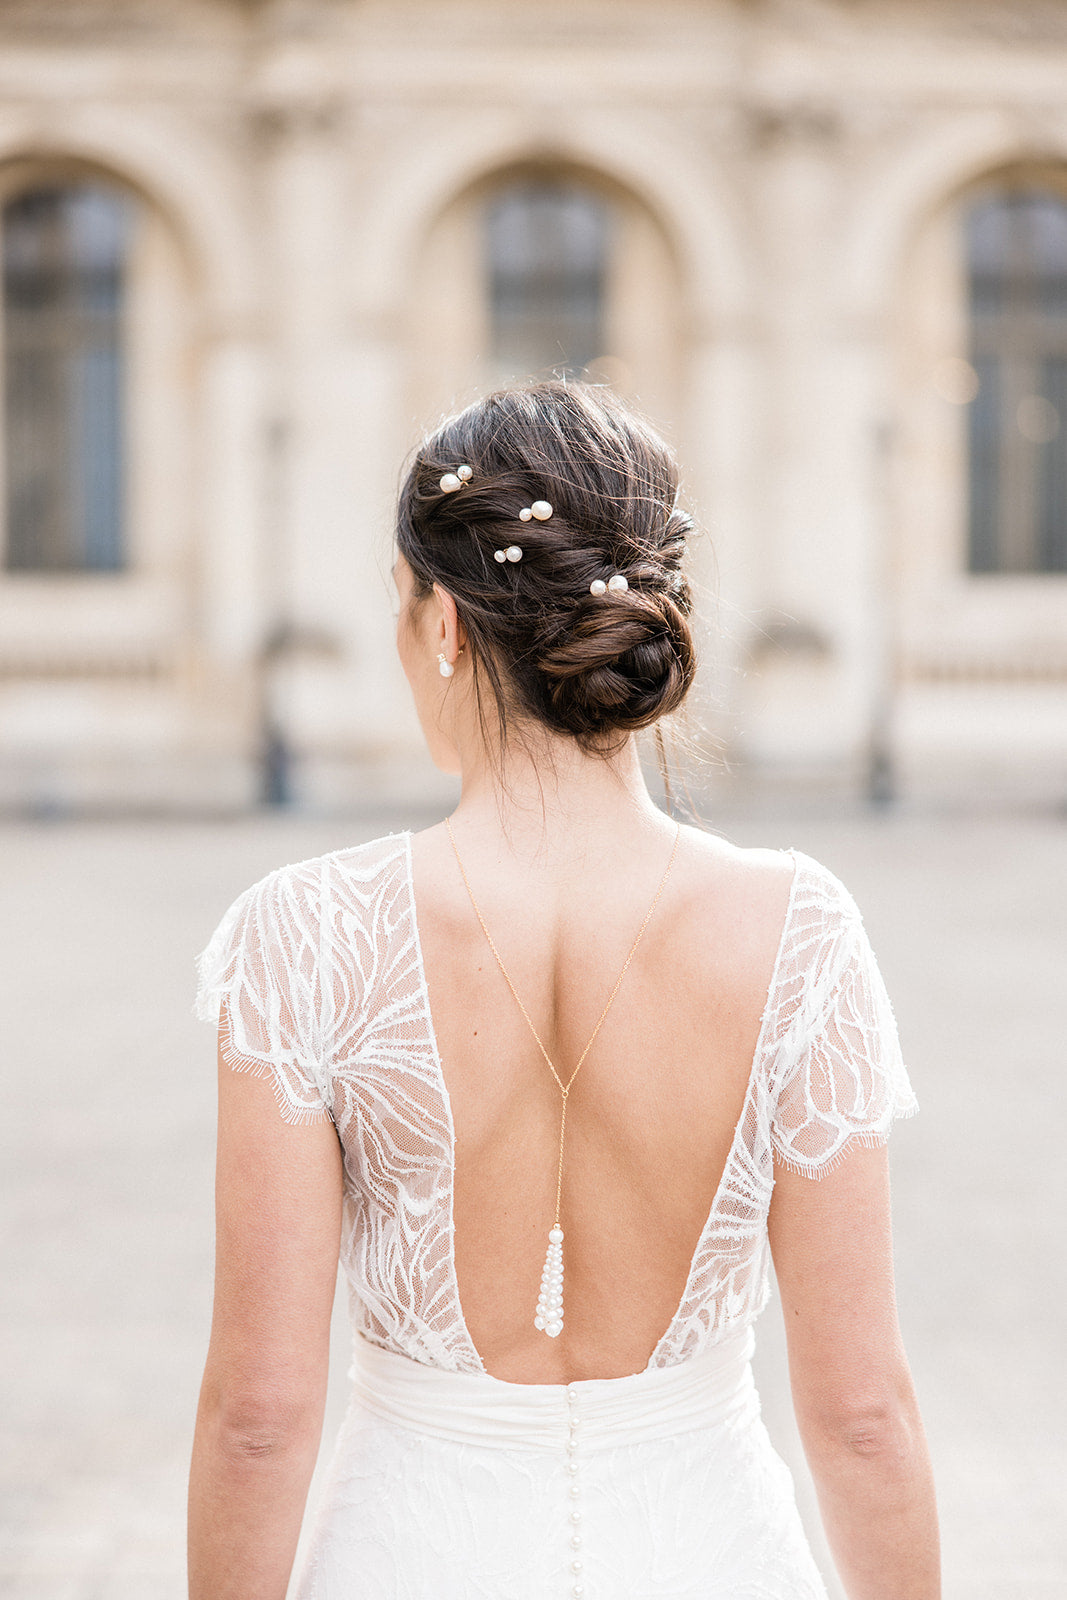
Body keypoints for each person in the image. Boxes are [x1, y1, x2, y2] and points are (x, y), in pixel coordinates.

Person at [188, 381, 940, 1599]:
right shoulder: (797, 930)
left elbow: (258, 1419)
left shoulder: (305, 933)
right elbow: (860, 1415)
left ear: (441, 623)